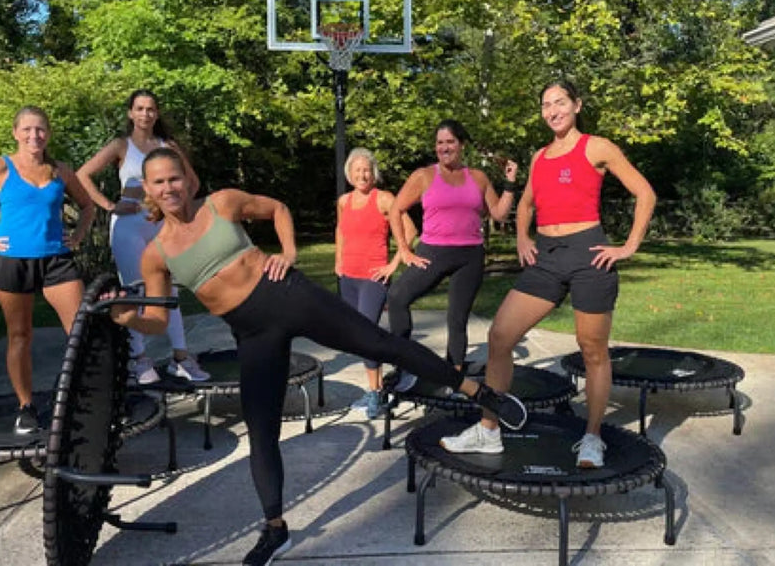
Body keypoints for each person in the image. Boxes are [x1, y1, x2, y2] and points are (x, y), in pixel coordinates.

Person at [105, 147, 525, 566]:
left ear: (186, 178)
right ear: (149, 190)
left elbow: (278, 209)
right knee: (262, 431)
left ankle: (479, 392)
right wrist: (128, 318)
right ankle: (274, 529)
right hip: (252, 333)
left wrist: (287, 253)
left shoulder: (222, 203)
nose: (168, 188)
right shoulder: (156, 253)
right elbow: (158, 320)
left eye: (173, 178)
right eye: (158, 182)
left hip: (289, 296)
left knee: (379, 344)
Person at [440, 80, 656, 468]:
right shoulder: (539, 157)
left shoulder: (597, 147)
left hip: (589, 253)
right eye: (545, 104)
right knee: (500, 335)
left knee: (592, 349)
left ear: (576, 105)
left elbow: (645, 193)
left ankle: (592, 437)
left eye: (559, 102)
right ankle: (489, 430)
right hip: (547, 259)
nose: (552, 110)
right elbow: (524, 205)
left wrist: (628, 246)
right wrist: (523, 237)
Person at [0, 106, 95, 434]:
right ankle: (26, 406)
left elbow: (88, 205)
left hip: (57, 261)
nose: (34, 135)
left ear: (48, 134)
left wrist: (78, 234)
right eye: (27, 129)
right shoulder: (0, 167)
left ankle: (86, 398)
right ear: (15, 133)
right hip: (13, 262)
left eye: (40, 129)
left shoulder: (60, 171)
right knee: (19, 335)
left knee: (81, 331)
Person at [76, 89, 209, 384]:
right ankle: (139, 358)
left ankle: (181, 357)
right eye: (139, 108)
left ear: (157, 113)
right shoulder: (121, 145)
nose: (145, 114)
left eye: (150, 109)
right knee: (136, 290)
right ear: (130, 113)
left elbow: (193, 182)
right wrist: (110, 204)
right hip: (129, 224)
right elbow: (82, 175)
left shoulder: (167, 145)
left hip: (161, 223)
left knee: (169, 288)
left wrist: (175, 208)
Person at [387, 119, 518, 390]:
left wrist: (509, 183)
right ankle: (405, 365)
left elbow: (499, 213)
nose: (444, 148)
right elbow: (395, 210)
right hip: (433, 251)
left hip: (469, 256)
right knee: (398, 296)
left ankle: (455, 380)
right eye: (439, 143)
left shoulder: (478, 177)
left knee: (457, 320)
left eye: (450, 142)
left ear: (461, 145)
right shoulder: (424, 176)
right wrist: (404, 249)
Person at [335, 147, 416, 419]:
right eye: (357, 170)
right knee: (356, 336)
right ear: (349, 173)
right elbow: (340, 230)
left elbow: (410, 229)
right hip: (348, 276)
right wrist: (338, 261)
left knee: (366, 333)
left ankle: (377, 393)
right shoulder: (344, 201)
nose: (362, 174)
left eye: (366, 170)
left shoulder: (383, 199)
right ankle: (376, 388)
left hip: (373, 277)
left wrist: (394, 263)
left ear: (373, 173)